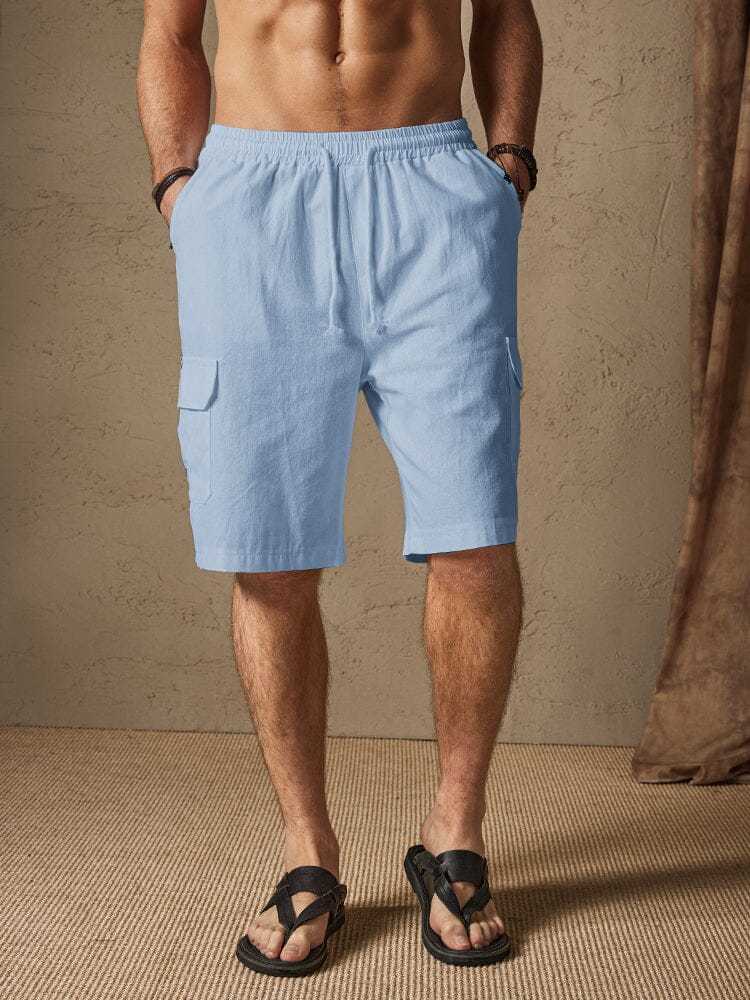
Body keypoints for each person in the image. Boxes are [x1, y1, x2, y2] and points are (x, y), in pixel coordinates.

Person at [137, 0, 542, 976]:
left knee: (475, 539)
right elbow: (169, 35)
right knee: (269, 557)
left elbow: (507, 11)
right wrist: (180, 189)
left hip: (431, 188)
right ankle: (307, 849)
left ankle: (455, 832)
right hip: (253, 196)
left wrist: (510, 162)